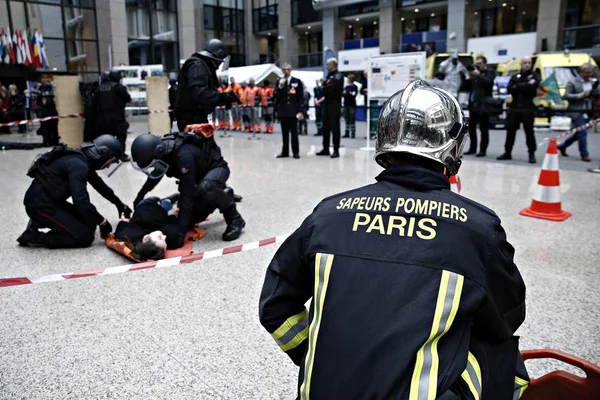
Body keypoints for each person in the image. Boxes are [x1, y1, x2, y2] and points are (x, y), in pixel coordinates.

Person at [258, 80, 528, 400]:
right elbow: (509, 314)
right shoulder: (476, 228)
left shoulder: (328, 214)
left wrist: (315, 355)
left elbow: (274, 305)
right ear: (452, 145)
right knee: (501, 351)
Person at [130, 129, 245, 243]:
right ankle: (224, 193)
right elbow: (156, 175)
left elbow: (187, 193)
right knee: (192, 219)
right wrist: (140, 195)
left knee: (206, 187)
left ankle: (235, 219)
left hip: (217, 169)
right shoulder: (163, 151)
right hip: (198, 178)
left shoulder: (183, 155)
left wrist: (181, 231)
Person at [18, 135, 130, 248]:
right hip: (39, 205)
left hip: (50, 201)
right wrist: (102, 222)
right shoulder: (79, 166)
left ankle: (38, 222)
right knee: (84, 237)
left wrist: (119, 204)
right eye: (110, 162)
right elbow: (81, 202)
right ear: (103, 154)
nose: (107, 166)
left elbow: (100, 186)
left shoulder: (82, 160)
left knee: (90, 223)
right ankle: (34, 236)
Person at [175, 39, 239, 133]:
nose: (218, 66)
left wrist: (225, 97)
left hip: (195, 117)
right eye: (218, 62)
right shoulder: (198, 66)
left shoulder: (200, 66)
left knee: (207, 146)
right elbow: (199, 94)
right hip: (192, 118)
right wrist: (223, 98)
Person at [497, 56, 540, 164]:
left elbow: (533, 87)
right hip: (515, 106)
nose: (527, 64)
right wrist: (525, 84)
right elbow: (510, 88)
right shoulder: (515, 76)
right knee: (510, 130)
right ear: (521, 64)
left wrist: (519, 86)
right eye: (525, 62)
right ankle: (507, 152)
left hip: (528, 107)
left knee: (529, 131)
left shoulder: (535, 75)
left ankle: (531, 153)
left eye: (529, 63)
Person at [114, 195, 181, 260]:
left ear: (146, 239)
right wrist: (172, 216)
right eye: (165, 241)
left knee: (149, 202)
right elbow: (175, 231)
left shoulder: (130, 235)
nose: (165, 237)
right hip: (162, 212)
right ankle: (166, 201)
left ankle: (160, 200)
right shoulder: (156, 241)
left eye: (160, 238)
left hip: (146, 205)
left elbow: (122, 224)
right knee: (167, 206)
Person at [558, 63, 599, 162]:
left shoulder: (593, 82)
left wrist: (595, 94)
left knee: (580, 133)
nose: (589, 75)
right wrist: (580, 95)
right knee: (583, 132)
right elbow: (566, 96)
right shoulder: (572, 82)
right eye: (586, 73)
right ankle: (584, 154)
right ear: (581, 72)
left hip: (589, 110)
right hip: (576, 111)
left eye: (590, 72)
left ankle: (563, 146)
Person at [93, 71, 132, 160]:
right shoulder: (118, 87)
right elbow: (128, 98)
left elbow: (94, 103)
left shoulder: (99, 88)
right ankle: (120, 155)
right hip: (117, 116)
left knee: (104, 137)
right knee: (121, 135)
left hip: (102, 118)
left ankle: (105, 155)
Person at [464, 56, 496, 157]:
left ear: (485, 63)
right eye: (476, 63)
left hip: (484, 105)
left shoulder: (489, 72)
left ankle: (483, 150)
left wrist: (479, 75)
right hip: (473, 104)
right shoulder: (474, 75)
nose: (477, 65)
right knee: (471, 128)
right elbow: (465, 87)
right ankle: (472, 148)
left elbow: (489, 83)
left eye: (480, 63)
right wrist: (468, 76)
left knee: (483, 128)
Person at [274, 63, 304, 159]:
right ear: (282, 71)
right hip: (283, 111)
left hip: (293, 111)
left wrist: (300, 111)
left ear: (291, 70)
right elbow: (275, 96)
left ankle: (296, 152)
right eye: (284, 70)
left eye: (288, 69)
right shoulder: (279, 81)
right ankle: (285, 152)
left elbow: (300, 98)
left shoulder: (297, 81)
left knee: (294, 134)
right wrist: (280, 85)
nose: (286, 71)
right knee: (284, 134)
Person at [317, 58, 344, 158]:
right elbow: (325, 88)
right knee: (325, 128)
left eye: (328, 65)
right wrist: (324, 87)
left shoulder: (338, 76)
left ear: (333, 65)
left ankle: (336, 150)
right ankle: (325, 148)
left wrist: (323, 86)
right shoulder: (329, 76)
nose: (326, 66)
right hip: (327, 104)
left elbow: (329, 89)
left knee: (335, 128)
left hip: (335, 105)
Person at [360, 69, 377, 140]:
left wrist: (369, 91)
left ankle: (375, 133)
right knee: (368, 119)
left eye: (366, 74)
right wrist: (365, 91)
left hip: (373, 102)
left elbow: (377, 90)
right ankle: (369, 133)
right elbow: (361, 91)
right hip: (366, 102)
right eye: (364, 74)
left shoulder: (374, 81)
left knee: (373, 119)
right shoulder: (364, 82)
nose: (365, 76)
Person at [342, 74, 358, 139]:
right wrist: (348, 93)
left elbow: (354, 94)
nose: (347, 80)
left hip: (352, 105)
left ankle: (353, 133)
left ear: (351, 79)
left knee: (352, 119)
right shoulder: (346, 87)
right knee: (346, 119)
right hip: (346, 105)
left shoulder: (355, 86)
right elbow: (343, 94)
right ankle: (347, 133)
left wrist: (347, 93)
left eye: (348, 79)